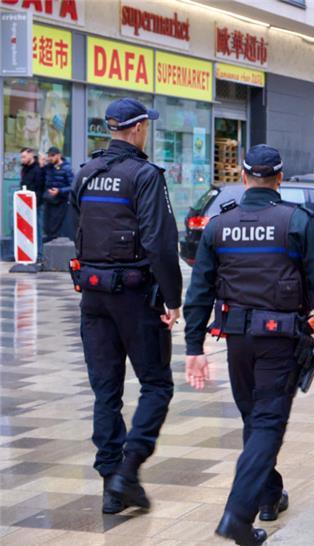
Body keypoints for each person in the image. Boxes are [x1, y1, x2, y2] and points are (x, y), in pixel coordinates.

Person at [183, 144, 314, 545]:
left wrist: (194, 347)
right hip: (279, 339)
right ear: (280, 179)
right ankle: (237, 516)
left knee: (255, 419)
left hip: (237, 341)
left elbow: (200, 290)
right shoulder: (296, 221)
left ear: (244, 178)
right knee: (266, 423)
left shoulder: (219, 226)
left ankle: (268, 495)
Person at [71, 98, 182, 515]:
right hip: (135, 297)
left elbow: (77, 227)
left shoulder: (86, 172)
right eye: (146, 127)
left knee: (106, 392)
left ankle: (110, 484)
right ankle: (128, 472)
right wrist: (173, 299)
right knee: (157, 384)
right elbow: (159, 242)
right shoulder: (145, 175)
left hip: (93, 295)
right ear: (137, 129)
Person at [19, 148, 46, 258]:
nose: (22, 159)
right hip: (25, 203)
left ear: (31, 155)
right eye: (21, 157)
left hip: (36, 204)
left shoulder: (38, 169)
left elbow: (40, 187)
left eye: (24, 156)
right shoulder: (25, 168)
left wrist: (35, 203)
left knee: (38, 229)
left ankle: (39, 254)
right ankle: (24, 252)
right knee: (22, 228)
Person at [43, 146, 74, 241]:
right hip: (49, 199)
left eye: (52, 156)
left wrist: (59, 191)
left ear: (59, 155)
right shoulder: (49, 167)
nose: (50, 158)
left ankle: (52, 244)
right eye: (49, 156)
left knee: (55, 226)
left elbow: (72, 186)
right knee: (47, 225)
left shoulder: (67, 168)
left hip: (60, 201)